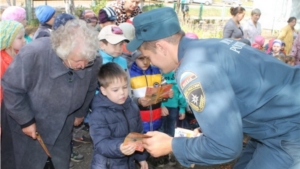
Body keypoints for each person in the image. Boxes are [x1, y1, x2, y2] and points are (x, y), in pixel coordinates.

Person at [126, 7, 300, 169]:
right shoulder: (210, 46)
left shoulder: (192, 70)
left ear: (161, 47)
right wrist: (212, 125)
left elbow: (225, 147)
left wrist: (171, 145)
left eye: (148, 56)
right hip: (273, 122)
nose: (152, 64)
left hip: (288, 130)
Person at [1, 18, 101, 169]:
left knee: (58, 162)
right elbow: (11, 87)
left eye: (87, 61)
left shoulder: (92, 60)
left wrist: (80, 113)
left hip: (62, 124)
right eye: (77, 61)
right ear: (63, 53)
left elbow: (90, 87)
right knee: (25, 162)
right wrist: (25, 121)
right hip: (25, 121)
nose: (83, 65)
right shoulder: (34, 53)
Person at [89, 62, 148, 169]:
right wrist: (119, 147)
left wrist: (141, 157)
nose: (122, 93)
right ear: (103, 90)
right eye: (115, 90)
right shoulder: (98, 114)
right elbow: (100, 143)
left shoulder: (132, 107)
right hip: (107, 165)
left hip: (128, 163)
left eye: (125, 87)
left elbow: (139, 134)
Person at [0, 20, 25, 102]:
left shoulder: (20, 54)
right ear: (8, 38)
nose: (24, 40)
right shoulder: (1, 61)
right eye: (20, 38)